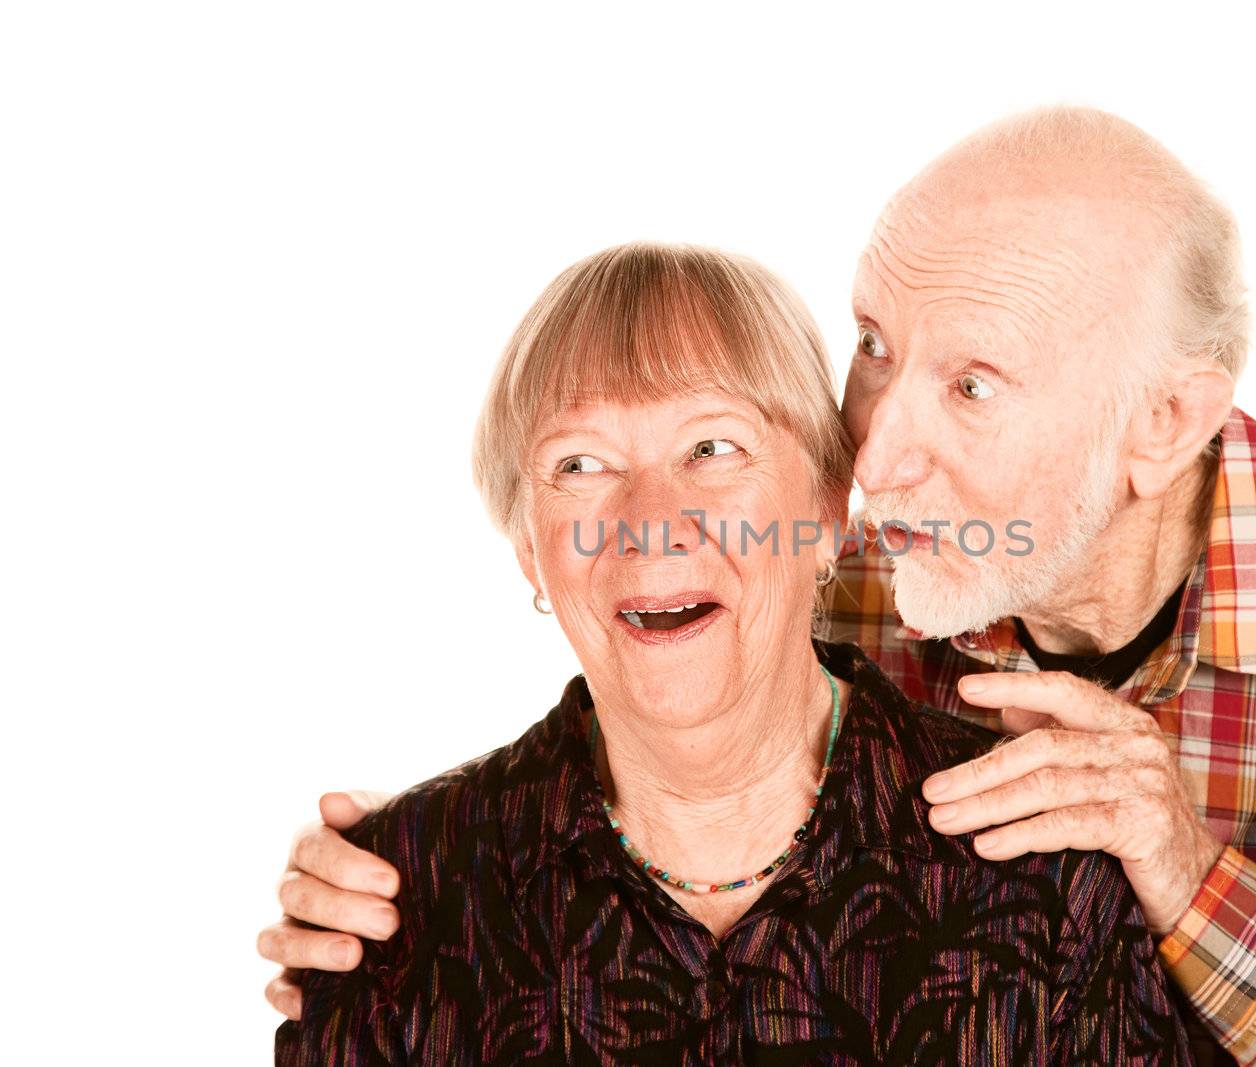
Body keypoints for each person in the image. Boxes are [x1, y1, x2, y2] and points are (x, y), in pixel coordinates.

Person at [262, 110, 1256, 1065]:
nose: (879, 449)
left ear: (1164, 422)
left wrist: (1194, 884)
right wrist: (410, 890)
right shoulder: (861, 568)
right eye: (874, 347)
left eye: (970, 384)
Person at [272, 241, 1192, 1064]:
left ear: (830, 511)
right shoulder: (398, 898)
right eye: (579, 466)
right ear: (530, 550)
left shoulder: (1041, 870)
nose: (649, 525)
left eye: (713, 447)